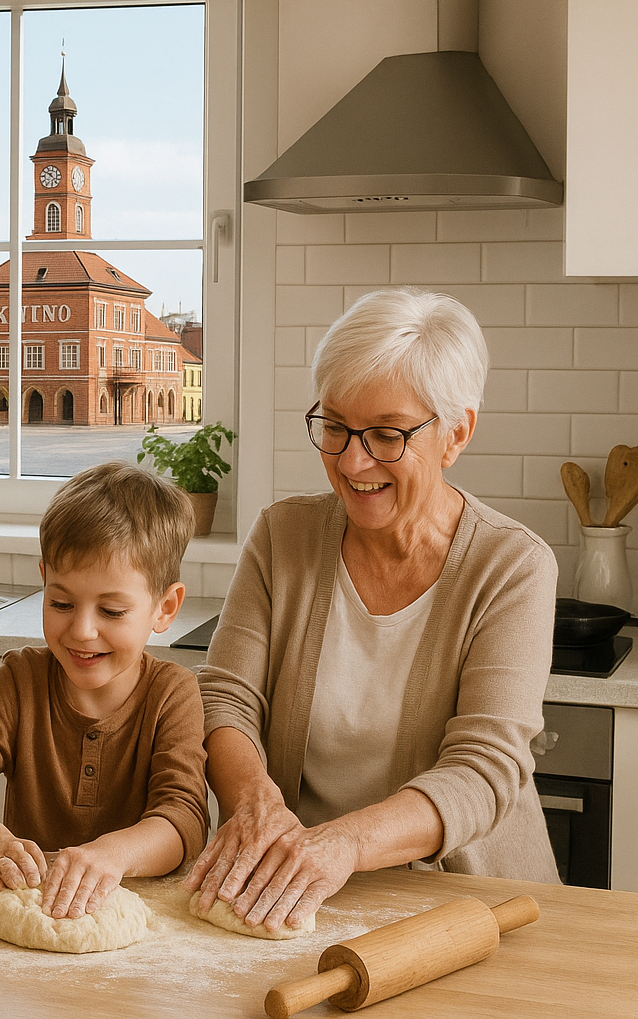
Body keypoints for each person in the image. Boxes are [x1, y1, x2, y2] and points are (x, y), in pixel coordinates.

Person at [185, 287, 559, 935]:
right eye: (334, 426)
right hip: (296, 897)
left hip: (471, 912)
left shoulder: (513, 566)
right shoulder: (283, 536)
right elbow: (225, 699)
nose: (353, 462)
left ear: (456, 434)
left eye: (386, 435)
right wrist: (253, 802)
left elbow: (483, 770)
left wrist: (342, 846)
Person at [0, 463, 209, 919]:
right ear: (44, 579)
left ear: (164, 608)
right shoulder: (20, 681)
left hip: (143, 928)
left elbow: (184, 819)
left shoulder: (172, 693)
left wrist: (114, 855)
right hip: (34, 914)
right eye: (61, 603)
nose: (82, 631)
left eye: (111, 611)